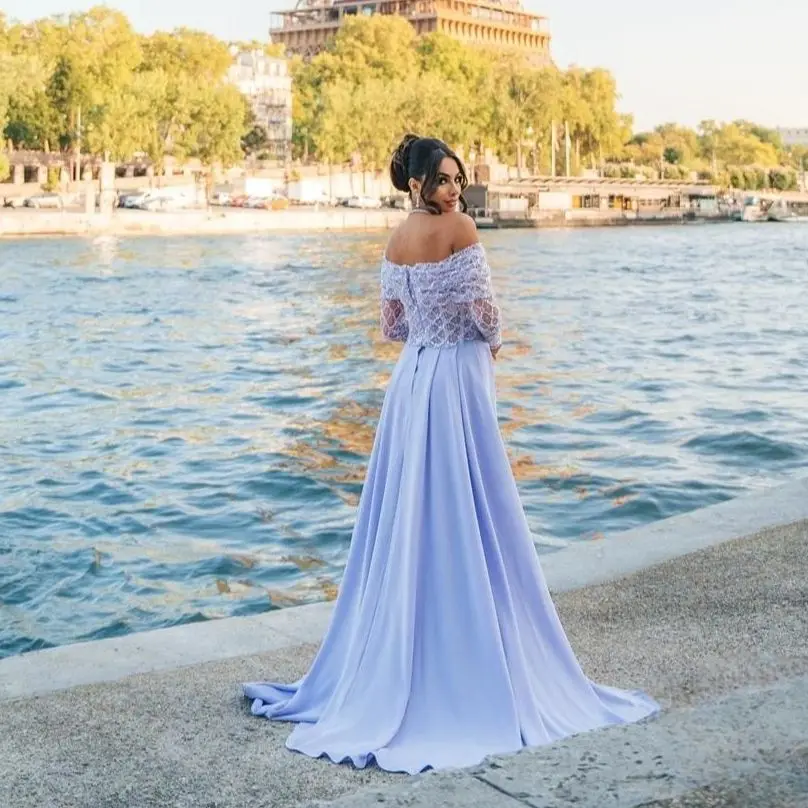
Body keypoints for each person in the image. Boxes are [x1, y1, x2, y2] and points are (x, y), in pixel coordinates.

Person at [243, 134, 659, 774]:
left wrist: (431, 333)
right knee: (473, 497)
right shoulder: (461, 230)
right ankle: (474, 640)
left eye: (456, 180)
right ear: (415, 183)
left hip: (412, 381)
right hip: (458, 376)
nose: (454, 190)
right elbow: (487, 313)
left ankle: (411, 635)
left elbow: (391, 327)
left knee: (413, 507)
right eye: (442, 180)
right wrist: (489, 344)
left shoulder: (393, 240)